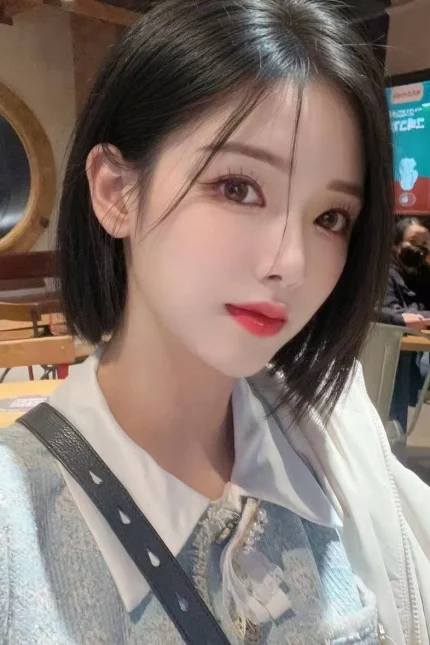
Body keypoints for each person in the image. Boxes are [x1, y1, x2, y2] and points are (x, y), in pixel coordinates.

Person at [1, 1, 429, 643]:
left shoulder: (332, 437)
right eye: (238, 188)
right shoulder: (18, 529)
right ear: (115, 191)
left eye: (329, 218)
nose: (290, 263)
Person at [379, 217, 430, 431]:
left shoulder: (424, 274)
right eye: (414, 242)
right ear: (395, 244)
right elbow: (381, 310)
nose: (421, 248)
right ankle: (395, 437)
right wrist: (403, 319)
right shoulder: (382, 273)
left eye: (425, 243)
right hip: (393, 352)